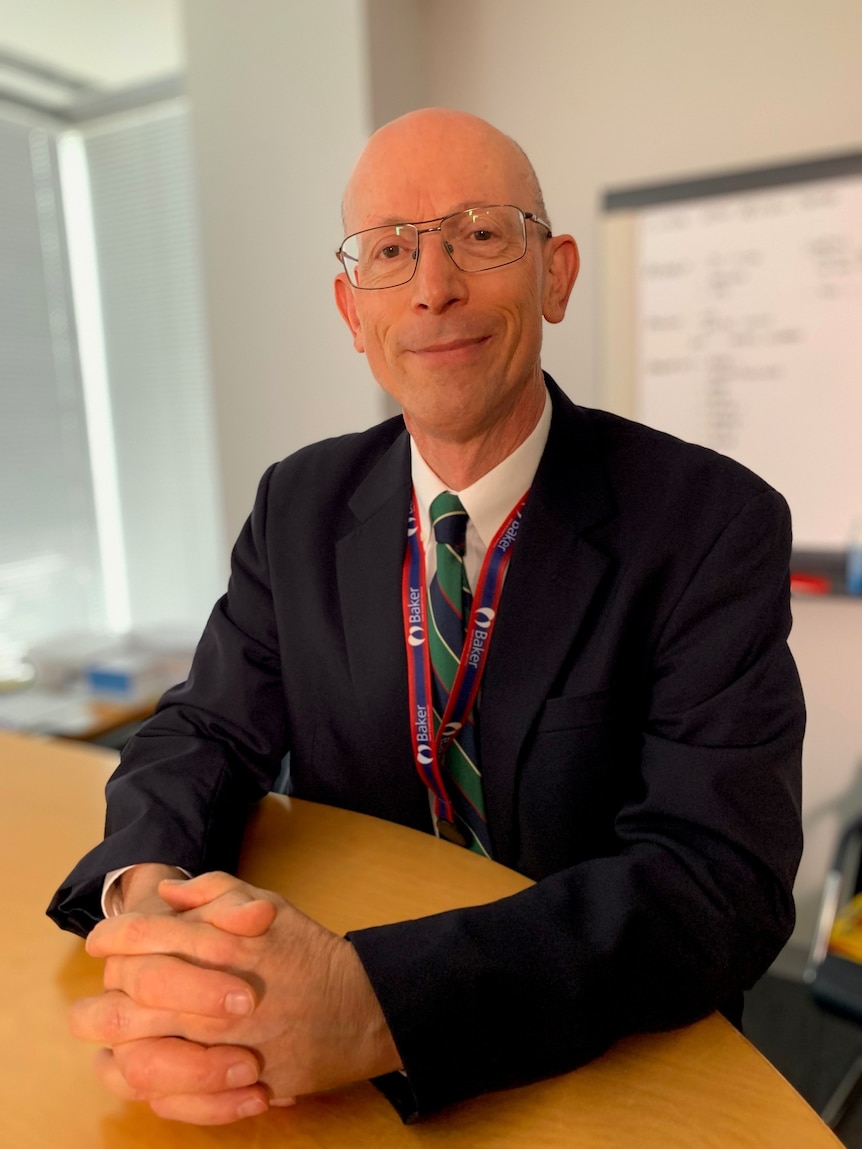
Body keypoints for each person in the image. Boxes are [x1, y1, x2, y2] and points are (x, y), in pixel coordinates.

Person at [48, 107, 804, 1127]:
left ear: (556, 274)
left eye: (480, 234)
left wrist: (376, 1004)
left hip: (607, 1060)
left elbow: (718, 880)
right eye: (389, 252)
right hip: (320, 1048)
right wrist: (149, 892)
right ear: (350, 312)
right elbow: (207, 727)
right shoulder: (297, 505)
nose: (432, 285)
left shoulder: (709, 522)